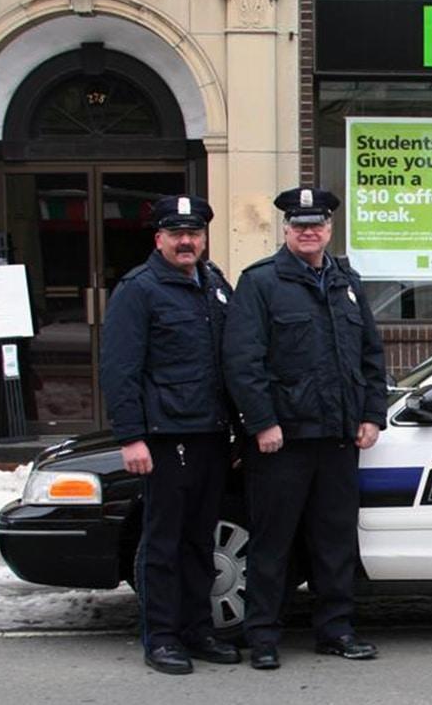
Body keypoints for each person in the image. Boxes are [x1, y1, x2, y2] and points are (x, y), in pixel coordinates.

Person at [224, 186, 387, 670]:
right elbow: (242, 361)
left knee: (334, 541)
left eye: (317, 224)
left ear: (330, 229)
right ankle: (263, 636)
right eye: (300, 225)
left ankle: (336, 630)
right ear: (286, 230)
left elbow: (370, 354)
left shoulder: (345, 280)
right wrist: (262, 422)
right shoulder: (261, 282)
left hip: (338, 437)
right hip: (283, 441)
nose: (309, 232)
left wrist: (371, 414)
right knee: (272, 543)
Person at [100, 195, 240, 675]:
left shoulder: (214, 285)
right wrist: (131, 437)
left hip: (211, 433)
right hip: (165, 436)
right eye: (177, 234)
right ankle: (161, 637)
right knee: (163, 543)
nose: (187, 242)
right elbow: (120, 369)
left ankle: (198, 629)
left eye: (194, 233)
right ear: (158, 238)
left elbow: (230, 360)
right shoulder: (138, 289)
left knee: (201, 540)